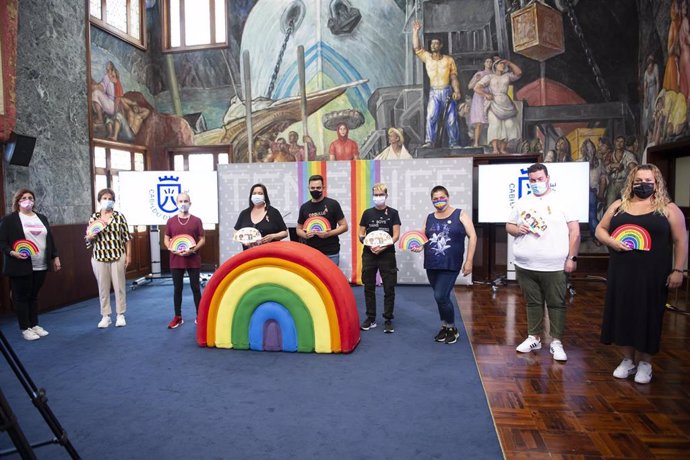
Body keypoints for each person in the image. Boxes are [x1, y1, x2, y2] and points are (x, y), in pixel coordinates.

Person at [595, 164, 687, 384]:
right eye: (638, 181)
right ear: (631, 182)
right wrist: (612, 242)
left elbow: (681, 240)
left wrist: (678, 270)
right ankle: (628, 360)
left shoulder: (668, 208)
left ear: (656, 184)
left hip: (653, 273)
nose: (643, 185)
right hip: (622, 271)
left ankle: (645, 363)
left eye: (648, 181)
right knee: (623, 312)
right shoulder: (619, 205)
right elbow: (600, 229)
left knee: (649, 315)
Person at [507, 163, 580, 361]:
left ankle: (556, 342)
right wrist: (517, 229)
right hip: (525, 263)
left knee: (556, 304)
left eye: (540, 179)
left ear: (547, 178)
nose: (536, 183)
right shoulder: (522, 202)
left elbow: (575, 231)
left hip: (554, 265)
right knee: (532, 303)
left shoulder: (562, 201)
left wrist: (571, 257)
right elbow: (509, 225)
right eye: (532, 180)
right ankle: (534, 337)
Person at [412, 186, 476, 344]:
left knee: (440, 295)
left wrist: (469, 261)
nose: (438, 201)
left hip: (451, 263)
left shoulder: (460, 214)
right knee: (441, 298)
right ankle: (445, 326)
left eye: (441, 197)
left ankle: (452, 328)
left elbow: (473, 236)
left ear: (448, 197)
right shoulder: (429, 217)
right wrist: (419, 246)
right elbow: (423, 237)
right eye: (435, 199)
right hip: (432, 263)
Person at [0, 189, 61, 341]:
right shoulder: (10, 220)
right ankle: (25, 328)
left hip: (40, 263)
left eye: (30, 198)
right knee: (22, 296)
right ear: (18, 201)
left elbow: (50, 240)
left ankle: (34, 324)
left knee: (34, 296)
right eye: (24, 198)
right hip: (20, 264)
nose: (28, 200)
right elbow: (2, 242)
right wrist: (12, 252)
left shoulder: (41, 218)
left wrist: (55, 257)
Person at [86, 188, 132, 329]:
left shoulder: (119, 217)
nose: (107, 200)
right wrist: (90, 237)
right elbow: (88, 239)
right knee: (103, 287)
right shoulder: (94, 218)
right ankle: (105, 316)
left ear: (113, 201)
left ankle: (120, 314)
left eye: (110, 198)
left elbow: (127, 238)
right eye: (104, 198)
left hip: (117, 255)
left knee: (119, 286)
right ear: (99, 200)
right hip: (99, 256)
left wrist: (128, 255)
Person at [358, 183, 401, 333]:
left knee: (389, 287)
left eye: (381, 194)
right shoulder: (367, 213)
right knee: (368, 286)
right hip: (369, 254)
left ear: (386, 196)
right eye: (375, 195)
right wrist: (368, 244)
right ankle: (370, 318)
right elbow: (361, 234)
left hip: (387, 254)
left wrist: (384, 246)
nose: (378, 197)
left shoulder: (393, 213)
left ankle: (388, 318)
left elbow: (396, 235)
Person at [412, 20, 461, 147]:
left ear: (441, 45)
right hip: (434, 92)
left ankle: (454, 143)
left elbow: (453, 77)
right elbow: (417, 48)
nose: (433, 45)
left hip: (447, 91)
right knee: (431, 117)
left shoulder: (449, 60)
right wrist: (415, 31)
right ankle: (430, 141)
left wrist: (457, 91)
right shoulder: (427, 58)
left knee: (451, 119)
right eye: (432, 43)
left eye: (436, 43)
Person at [164, 193, 205, 329]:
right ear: (176, 203)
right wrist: (171, 248)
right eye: (180, 201)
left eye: (186, 201)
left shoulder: (197, 220)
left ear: (190, 203)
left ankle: (200, 316)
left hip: (193, 258)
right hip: (176, 259)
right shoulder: (170, 221)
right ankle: (178, 317)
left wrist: (193, 250)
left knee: (195, 288)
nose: (183, 203)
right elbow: (166, 238)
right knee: (178, 289)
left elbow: (202, 239)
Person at [296, 175, 348, 265]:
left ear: (323, 188)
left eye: (318, 188)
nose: (315, 190)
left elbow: (344, 226)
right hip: (311, 252)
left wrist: (328, 234)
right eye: (312, 188)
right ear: (308, 188)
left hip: (331, 252)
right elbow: (298, 229)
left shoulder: (333, 204)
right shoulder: (304, 207)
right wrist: (305, 235)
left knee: (331, 278)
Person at [474, 57, 522, 154]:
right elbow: (476, 88)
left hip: (506, 103)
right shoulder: (490, 77)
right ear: (495, 66)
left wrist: (509, 62)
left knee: (509, 125)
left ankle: (503, 148)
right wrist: (486, 94)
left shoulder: (507, 76)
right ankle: (495, 149)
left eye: (504, 64)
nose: (503, 65)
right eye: (500, 64)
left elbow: (519, 73)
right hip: (494, 103)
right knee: (495, 125)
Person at [234, 184, 288, 249]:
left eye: (260, 193)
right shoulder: (244, 213)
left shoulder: (273, 212)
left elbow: (285, 233)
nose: (257, 195)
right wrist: (244, 240)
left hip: (270, 254)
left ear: (265, 196)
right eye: (254, 193)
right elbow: (236, 231)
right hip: (249, 255)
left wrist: (273, 236)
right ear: (251, 196)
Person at [468, 57, 493, 147]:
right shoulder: (480, 73)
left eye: (490, 61)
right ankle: (476, 143)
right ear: (484, 63)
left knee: (491, 121)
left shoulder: (494, 74)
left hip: (490, 97)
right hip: (479, 98)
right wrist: (476, 80)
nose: (489, 63)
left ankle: (490, 143)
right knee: (479, 121)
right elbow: (470, 86)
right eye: (487, 61)